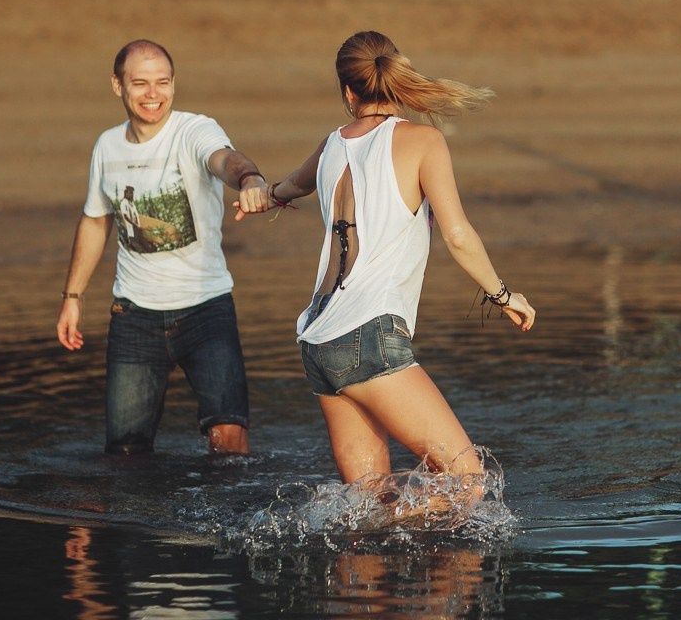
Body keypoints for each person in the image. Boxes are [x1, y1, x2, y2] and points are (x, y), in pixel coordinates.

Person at [245, 30, 535, 499]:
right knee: (471, 483)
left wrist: (262, 197)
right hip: (369, 335)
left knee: (367, 502)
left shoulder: (330, 145)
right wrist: (504, 296)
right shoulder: (424, 141)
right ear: (396, 75)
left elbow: (292, 186)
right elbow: (458, 235)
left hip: (317, 338)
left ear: (347, 92)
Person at [56, 39, 271, 455]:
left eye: (163, 82)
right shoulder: (106, 146)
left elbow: (225, 160)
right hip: (133, 317)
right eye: (140, 83)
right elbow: (96, 220)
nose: (153, 94)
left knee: (229, 441)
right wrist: (72, 298)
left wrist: (249, 180)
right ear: (117, 86)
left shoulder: (194, 130)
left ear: (174, 84)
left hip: (206, 310)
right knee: (125, 453)